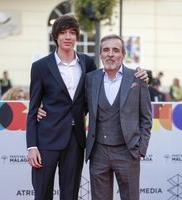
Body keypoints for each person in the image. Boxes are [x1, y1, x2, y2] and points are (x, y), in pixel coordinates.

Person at [32, 16, 149, 200]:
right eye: (63, 33)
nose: (67, 37)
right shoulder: (47, 68)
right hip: (71, 144)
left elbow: (144, 117)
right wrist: (35, 136)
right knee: (45, 192)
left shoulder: (95, 66)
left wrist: (141, 148)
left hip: (102, 146)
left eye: (72, 32)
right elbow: (41, 107)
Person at [85, 34, 152, 200]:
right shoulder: (90, 79)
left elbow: (146, 118)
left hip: (127, 151)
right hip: (98, 152)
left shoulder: (137, 79)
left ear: (123, 55)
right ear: (100, 54)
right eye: (106, 50)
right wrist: (44, 106)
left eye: (115, 50)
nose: (110, 54)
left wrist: (140, 149)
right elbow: (74, 105)